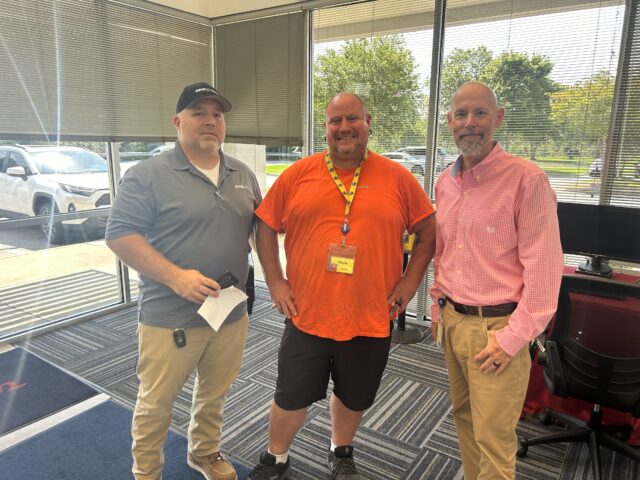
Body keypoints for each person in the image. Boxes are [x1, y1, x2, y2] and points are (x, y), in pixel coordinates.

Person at [248, 92, 436, 480]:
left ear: (369, 122)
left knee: (353, 395)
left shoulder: (397, 177)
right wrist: (276, 280)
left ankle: (341, 448)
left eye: (353, 119)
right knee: (290, 395)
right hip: (306, 314)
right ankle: (276, 457)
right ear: (326, 128)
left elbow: (428, 229)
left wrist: (409, 280)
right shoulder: (299, 174)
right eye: (335, 121)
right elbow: (264, 224)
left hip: (371, 314)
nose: (344, 128)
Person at [105, 82, 261, 480]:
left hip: (229, 310)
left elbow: (260, 230)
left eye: (218, 115)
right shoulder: (148, 175)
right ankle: (147, 473)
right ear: (177, 122)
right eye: (198, 113)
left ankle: (205, 453)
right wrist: (176, 277)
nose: (210, 122)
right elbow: (120, 235)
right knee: (156, 402)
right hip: (169, 315)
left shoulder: (242, 173)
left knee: (215, 392)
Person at [430, 81, 564, 480]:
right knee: (466, 422)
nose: (469, 123)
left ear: (498, 118)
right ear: (449, 122)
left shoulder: (527, 180)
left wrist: (511, 340)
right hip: (452, 322)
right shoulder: (445, 181)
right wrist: (439, 306)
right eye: (461, 114)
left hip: (496, 329)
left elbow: (544, 274)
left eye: (480, 113)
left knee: (494, 439)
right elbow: (446, 251)